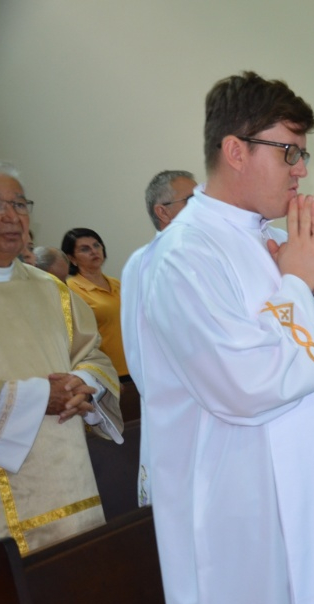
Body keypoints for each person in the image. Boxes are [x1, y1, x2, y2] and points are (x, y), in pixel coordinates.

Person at [122, 71, 314, 604]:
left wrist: (312, 286)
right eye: (289, 151)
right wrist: (295, 285)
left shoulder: (267, 239)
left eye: (303, 153)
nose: (302, 169)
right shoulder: (181, 256)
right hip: (235, 510)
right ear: (235, 150)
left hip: (307, 483)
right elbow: (242, 385)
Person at [0, 161, 123, 554]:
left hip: (74, 483)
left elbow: (91, 354)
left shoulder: (53, 289)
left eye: (19, 204)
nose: (11, 217)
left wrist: (85, 382)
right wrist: (37, 398)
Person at [121, 169, 197, 506]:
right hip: (178, 409)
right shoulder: (146, 262)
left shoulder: (199, 255)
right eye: (191, 201)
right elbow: (140, 353)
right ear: (161, 211)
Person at [62, 228, 129, 380]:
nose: (93, 251)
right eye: (85, 249)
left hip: (134, 367)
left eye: (96, 245)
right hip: (105, 373)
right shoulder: (71, 290)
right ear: (72, 258)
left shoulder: (117, 284)